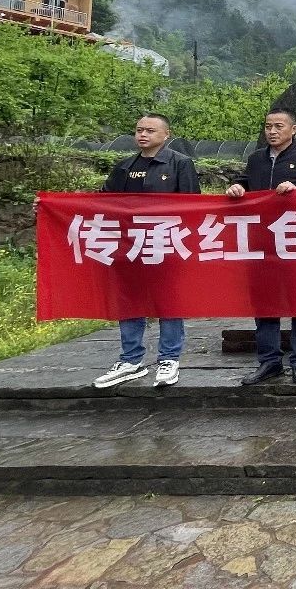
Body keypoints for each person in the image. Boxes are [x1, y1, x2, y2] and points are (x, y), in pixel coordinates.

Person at [92, 114, 200, 389]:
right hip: (129, 245)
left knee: (168, 300)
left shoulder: (180, 164)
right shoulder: (125, 166)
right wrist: (49, 205)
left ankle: (169, 359)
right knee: (129, 300)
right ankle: (130, 360)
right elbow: (101, 201)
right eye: (139, 130)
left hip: (167, 242)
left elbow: (194, 206)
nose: (143, 135)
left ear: (166, 134)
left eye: (150, 130)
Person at [226, 108, 296, 386]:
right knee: (264, 303)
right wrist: (237, 187)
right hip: (261, 241)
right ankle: (269, 361)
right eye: (268, 126)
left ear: (293, 129)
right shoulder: (256, 159)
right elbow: (248, 183)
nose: (272, 131)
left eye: (278, 126)